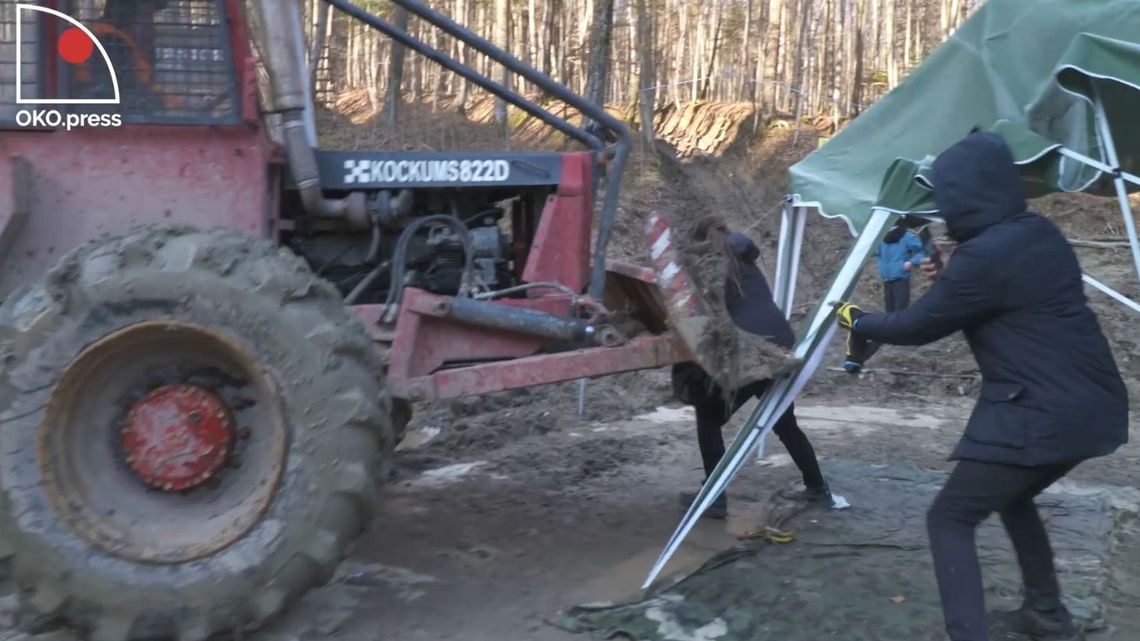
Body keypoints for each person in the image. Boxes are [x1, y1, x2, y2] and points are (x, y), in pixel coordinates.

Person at [836, 132, 1129, 641]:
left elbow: (917, 327)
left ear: (967, 193)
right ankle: (1046, 614)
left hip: (1040, 412)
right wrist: (952, 270)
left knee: (949, 519)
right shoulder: (1037, 232)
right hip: (1091, 405)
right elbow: (1002, 290)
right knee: (1012, 498)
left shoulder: (986, 257)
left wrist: (857, 320)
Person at [672, 217, 833, 520]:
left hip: (752, 349)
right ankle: (816, 486)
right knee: (784, 423)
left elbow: (705, 318)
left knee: (708, 417)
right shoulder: (745, 261)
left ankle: (714, 497)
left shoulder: (712, 265)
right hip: (780, 345)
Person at [878, 216, 929, 312]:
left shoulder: (907, 236)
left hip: (901, 278)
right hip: (886, 279)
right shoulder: (881, 236)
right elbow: (876, 252)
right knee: (889, 310)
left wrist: (911, 262)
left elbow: (922, 252)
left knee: (900, 310)